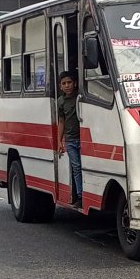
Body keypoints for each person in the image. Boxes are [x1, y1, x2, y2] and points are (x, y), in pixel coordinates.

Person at [57, 71, 82, 209]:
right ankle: (80, 196)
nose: (67, 86)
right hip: (71, 140)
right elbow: (61, 121)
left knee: (84, 167)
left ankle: (85, 195)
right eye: (64, 83)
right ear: (60, 86)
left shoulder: (80, 97)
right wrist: (59, 141)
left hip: (83, 138)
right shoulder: (61, 102)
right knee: (76, 168)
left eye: (69, 82)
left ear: (75, 83)